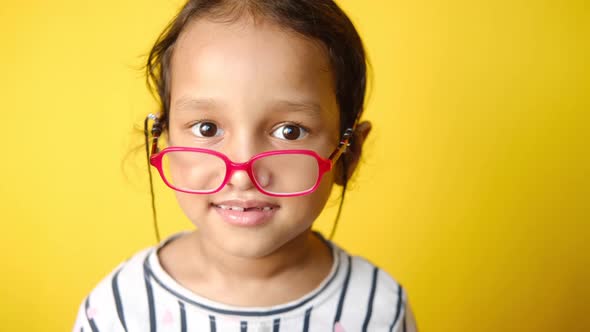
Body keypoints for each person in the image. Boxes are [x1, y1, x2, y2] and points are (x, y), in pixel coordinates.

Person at [73, 1, 418, 331]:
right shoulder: (118, 311)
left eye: (290, 131)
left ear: (349, 153)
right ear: (165, 141)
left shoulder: (379, 310)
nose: (242, 172)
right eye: (207, 128)